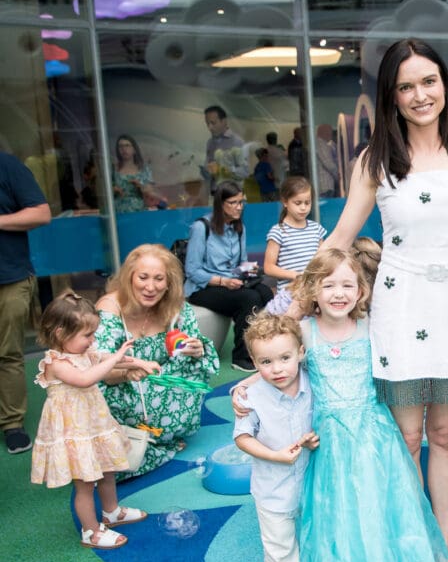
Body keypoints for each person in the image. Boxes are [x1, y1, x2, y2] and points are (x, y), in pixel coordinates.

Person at [322, 38, 448, 562]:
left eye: (429, 82)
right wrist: (290, 303)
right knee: (407, 438)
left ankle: (440, 553)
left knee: (445, 434)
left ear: (445, 84)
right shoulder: (374, 161)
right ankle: (413, 553)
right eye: (406, 86)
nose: (420, 95)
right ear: (391, 96)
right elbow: (343, 238)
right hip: (400, 306)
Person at [291, 246, 448, 562]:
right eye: (328, 285)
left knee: (374, 505)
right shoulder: (304, 332)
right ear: (313, 290)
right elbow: (278, 362)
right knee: (334, 508)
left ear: (361, 291)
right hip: (329, 438)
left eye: (348, 285)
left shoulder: (369, 327)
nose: (339, 293)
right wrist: (247, 385)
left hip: (372, 434)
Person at [30, 291, 149, 549]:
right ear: (61, 333)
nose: (92, 340)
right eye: (87, 335)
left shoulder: (84, 352)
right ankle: (91, 531)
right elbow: (86, 379)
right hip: (75, 432)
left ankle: (111, 511)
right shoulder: (56, 362)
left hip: (93, 425)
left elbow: (105, 358)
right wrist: (117, 359)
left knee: (107, 470)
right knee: (85, 484)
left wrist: (139, 362)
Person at [95, 244, 220, 478]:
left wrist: (196, 348)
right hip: (121, 387)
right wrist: (129, 372)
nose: (150, 287)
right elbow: (100, 370)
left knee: (195, 366)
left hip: (159, 383)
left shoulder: (175, 306)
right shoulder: (111, 307)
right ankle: (150, 442)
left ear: (169, 282)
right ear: (130, 277)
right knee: (116, 465)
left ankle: (162, 436)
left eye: (159, 279)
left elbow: (198, 349)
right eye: (143, 277)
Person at [233, 312, 319, 562]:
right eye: (266, 362)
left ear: (300, 353)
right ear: (254, 364)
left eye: (284, 358)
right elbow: (243, 437)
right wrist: (274, 454)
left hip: (313, 479)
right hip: (273, 484)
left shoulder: (314, 383)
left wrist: (313, 438)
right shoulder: (252, 397)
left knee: (312, 524)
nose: (277, 368)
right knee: (278, 534)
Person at [184, 180, 273, 372]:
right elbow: (192, 270)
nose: (239, 207)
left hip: (231, 281)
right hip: (204, 287)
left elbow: (240, 263)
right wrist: (223, 281)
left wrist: (252, 270)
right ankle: (240, 357)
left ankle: (262, 348)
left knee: (265, 292)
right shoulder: (201, 227)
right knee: (249, 298)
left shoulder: (239, 228)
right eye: (233, 203)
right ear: (220, 204)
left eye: (241, 202)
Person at [0, 151, 51, 454]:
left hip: (9, 277)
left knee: (7, 353)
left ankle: (12, 423)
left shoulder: (6, 165)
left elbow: (41, 213)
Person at [263, 176, 325, 315]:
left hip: (315, 294)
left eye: (307, 203)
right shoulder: (278, 231)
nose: (303, 207)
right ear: (285, 202)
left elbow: (324, 259)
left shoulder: (316, 229)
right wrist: (296, 275)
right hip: (290, 296)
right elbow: (268, 267)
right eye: (298, 203)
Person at [112, 134, 165, 212]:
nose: (124, 149)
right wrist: (112, 190)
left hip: (139, 211)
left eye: (127, 145)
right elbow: (103, 193)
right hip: (118, 212)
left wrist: (141, 187)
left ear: (134, 149)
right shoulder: (112, 170)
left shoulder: (144, 169)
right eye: (120, 146)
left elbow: (150, 193)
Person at [204, 105, 247, 192]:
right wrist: (207, 170)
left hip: (232, 194)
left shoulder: (237, 142)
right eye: (207, 124)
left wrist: (225, 169)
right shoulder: (210, 143)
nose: (210, 128)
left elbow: (244, 172)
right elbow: (207, 167)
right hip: (214, 193)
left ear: (224, 121)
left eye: (213, 123)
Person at [314, 124, 339, 198]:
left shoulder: (319, 143)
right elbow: (329, 164)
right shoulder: (321, 144)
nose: (330, 135)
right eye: (330, 132)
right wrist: (338, 176)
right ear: (324, 133)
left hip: (323, 185)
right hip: (325, 185)